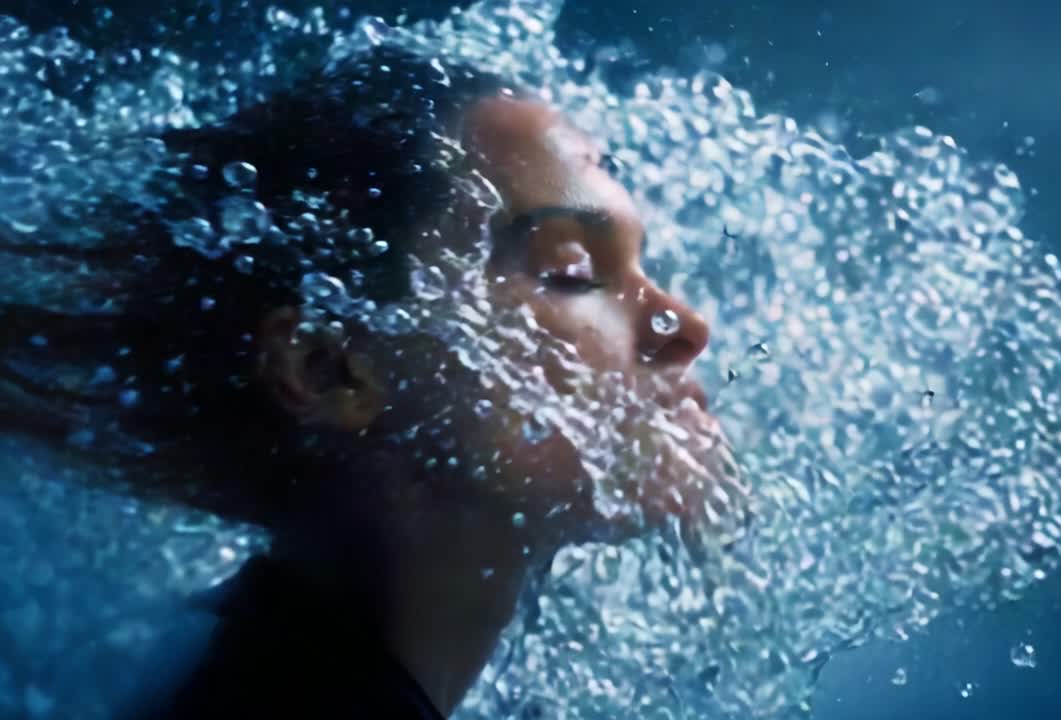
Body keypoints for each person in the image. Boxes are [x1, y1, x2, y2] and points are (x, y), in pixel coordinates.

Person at [0, 45, 742, 718]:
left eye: (643, 268)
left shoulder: (252, 658)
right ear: (330, 368)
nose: (686, 327)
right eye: (571, 273)